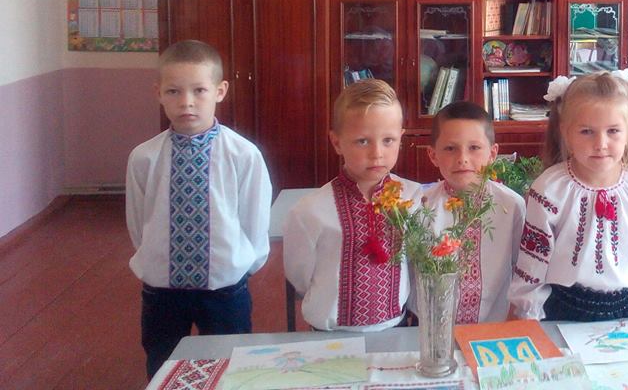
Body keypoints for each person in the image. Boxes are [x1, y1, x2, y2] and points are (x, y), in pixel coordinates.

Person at [125, 40, 272, 379]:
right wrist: (155, 257)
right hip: (162, 290)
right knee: (163, 364)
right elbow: (138, 221)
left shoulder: (243, 155)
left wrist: (240, 265)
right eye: (173, 91)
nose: (186, 102)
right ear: (158, 93)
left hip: (224, 288)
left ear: (220, 91)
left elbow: (254, 218)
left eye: (199, 90)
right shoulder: (144, 157)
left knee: (230, 366)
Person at [509, 70, 628, 321]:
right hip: (562, 309)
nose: (601, 143)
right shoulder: (550, 188)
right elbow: (533, 261)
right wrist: (528, 315)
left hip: (627, 311)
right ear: (566, 132)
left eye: (613, 131)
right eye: (586, 131)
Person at [283, 79, 420, 331]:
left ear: (401, 138)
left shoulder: (413, 197)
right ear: (337, 143)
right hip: (330, 333)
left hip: (395, 326)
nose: (377, 153)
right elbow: (299, 274)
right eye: (362, 141)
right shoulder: (310, 210)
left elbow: (414, 261)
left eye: (388, 140)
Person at [420, 101, 524, 323]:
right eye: (450, 148)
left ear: (492, 154)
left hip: (494, 327)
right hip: (435, 327)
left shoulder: (512, 205)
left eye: (474, 148)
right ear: (433, 155)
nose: (462, 158)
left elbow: (522, 270)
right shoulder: (422, 205)